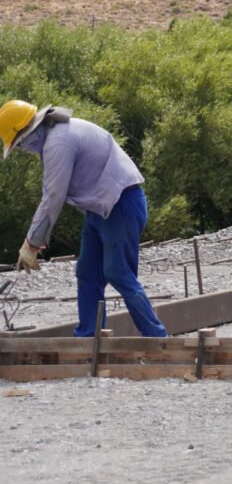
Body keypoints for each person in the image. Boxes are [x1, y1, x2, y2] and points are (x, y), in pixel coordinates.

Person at [0, 100, 168, 337]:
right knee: (87, 273)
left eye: (19, 144)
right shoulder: (55, 135)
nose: (22, 148)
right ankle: (89, 337)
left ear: (27, 132)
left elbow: (53, 197)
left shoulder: (57, 143)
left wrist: (31, 243)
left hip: (121, 204)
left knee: (118, 273)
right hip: (100, 209)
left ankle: (157, 337)